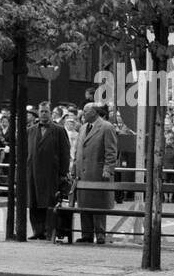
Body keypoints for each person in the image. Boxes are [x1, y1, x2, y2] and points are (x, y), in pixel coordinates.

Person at [73, 102, 117, 244]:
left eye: (86, 111)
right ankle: (86, 234)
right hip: (82, 172)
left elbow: (111, 152)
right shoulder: (83, 128)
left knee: (98, 205)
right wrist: (74, 167)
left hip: (97, 172)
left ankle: (100, 234)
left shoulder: (106, 127)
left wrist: (107, 170)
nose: (83, 114)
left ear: (94, 112)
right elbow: (78, 150)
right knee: (84, 204)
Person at [27, 101, 70, 239]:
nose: (44, 114)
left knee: (49, 202)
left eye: (46, 111)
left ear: (50, 113)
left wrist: (63, 173)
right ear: (38, 113)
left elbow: (65, 152)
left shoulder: (58, 130)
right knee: (34, 202)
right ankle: (37, 230)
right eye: (41, 111)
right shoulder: (30, 130)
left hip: (50, 173)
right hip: (33, 172)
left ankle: (48, 230)